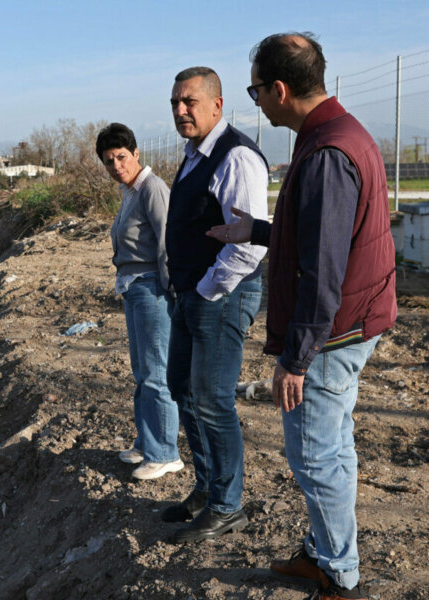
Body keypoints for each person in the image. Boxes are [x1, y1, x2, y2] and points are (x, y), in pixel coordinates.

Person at [207, 33, 397, 600]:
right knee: (333, 447)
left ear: (280, 89)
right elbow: (323, 237)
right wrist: (260, 231)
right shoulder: (338, 134)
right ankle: (324, 552)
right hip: (352, 320)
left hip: (332, 334)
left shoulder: (327, 153)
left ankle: (340, 578)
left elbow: (323, 271)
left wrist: (295, 359)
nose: (258, 103)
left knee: (314, 457)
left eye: (256, 92)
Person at [158, 67, 268, 543]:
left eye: (190, 101)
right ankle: (207, 489)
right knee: (181, 386)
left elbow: (249, 243)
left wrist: (206, 289)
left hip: (221, 295)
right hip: (191, 294)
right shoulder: (193, 155)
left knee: (212, 398)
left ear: (217, 104)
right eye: (175, 103)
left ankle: (227, 506)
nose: (181, 110)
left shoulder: (235, 156)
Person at [96, 123, 183, 480]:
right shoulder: (129, 191)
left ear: (136, 153)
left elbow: (168, 244)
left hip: (152, 288)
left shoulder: (152, 188)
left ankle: (165, 454)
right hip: (133, 287)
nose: (116, 166)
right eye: (109, 161)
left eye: (121, 157)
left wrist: (172, 292)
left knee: (155, 373)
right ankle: (147, 442)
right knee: (142, 372)